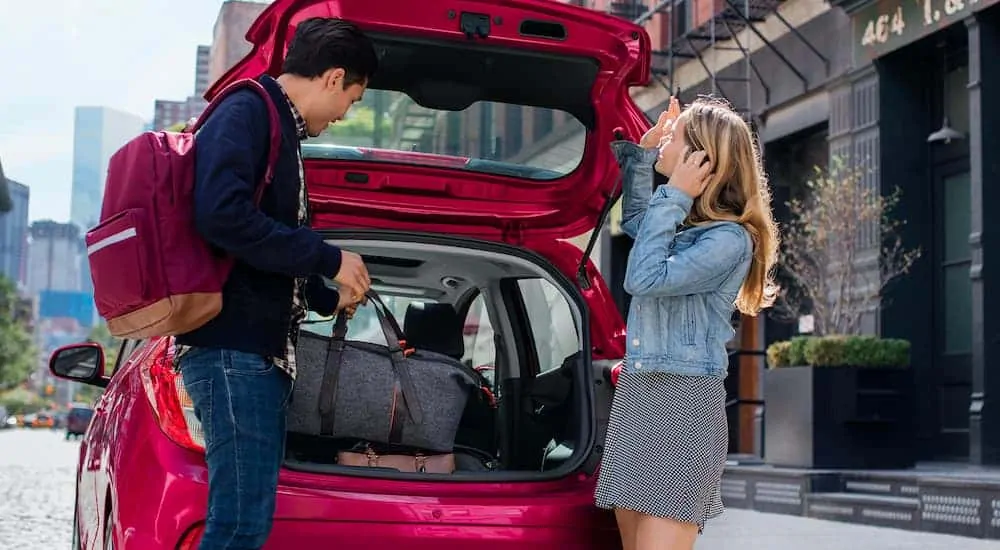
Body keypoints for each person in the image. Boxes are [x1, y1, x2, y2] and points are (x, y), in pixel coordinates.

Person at [174, 17, 379, 550]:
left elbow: (268, 244)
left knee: (245, 522)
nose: (343, 115)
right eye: (352, 100)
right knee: (239, 524)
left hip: (251, 354)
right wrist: (327, 256)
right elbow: (221, 216)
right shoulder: (247, 110)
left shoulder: (277, 126)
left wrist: (327, 295)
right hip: (230, 350)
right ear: (334, 78)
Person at [594, 96, 779, 550]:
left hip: (684, 406)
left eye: (676, 136)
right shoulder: (681, 226)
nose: (667, 138)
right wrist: (643, 153)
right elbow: (638, 222)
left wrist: (674, 193)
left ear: (703, 159)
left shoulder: (730, 240)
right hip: (640, 398)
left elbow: (642, 277)